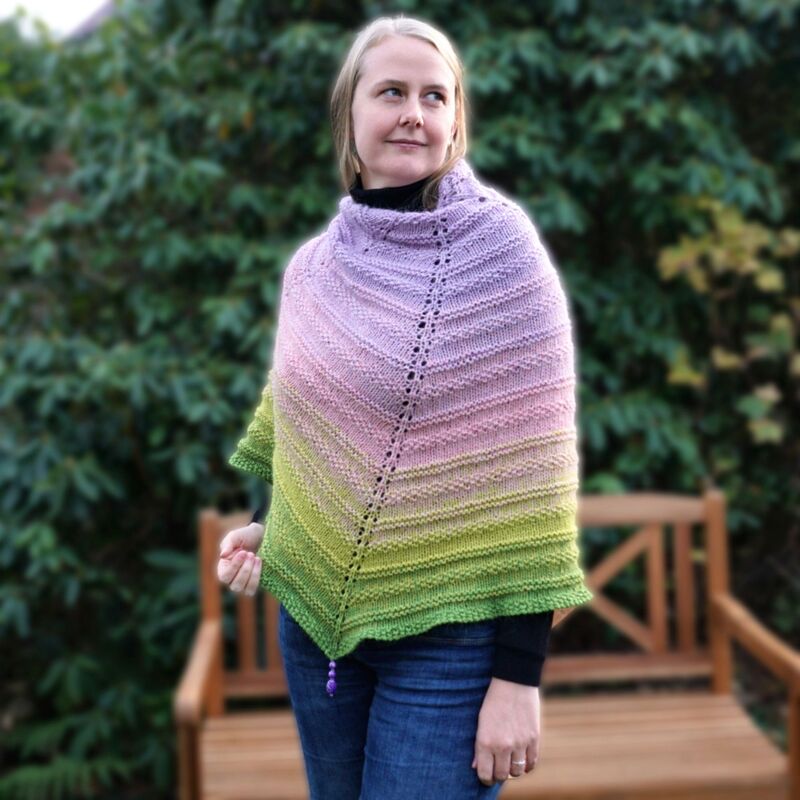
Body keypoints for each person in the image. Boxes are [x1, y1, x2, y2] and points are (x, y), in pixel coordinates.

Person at [217, 14, 593, 800]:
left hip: (450, 643)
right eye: (391, 92)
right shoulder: (313, 270)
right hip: (315, 630)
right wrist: (271, 523)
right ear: (350, 115)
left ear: (455, 121)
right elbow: (312, 429)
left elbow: (536, 486)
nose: (414, 113)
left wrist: (518, 679)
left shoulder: (503, 256)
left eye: (435, 96)